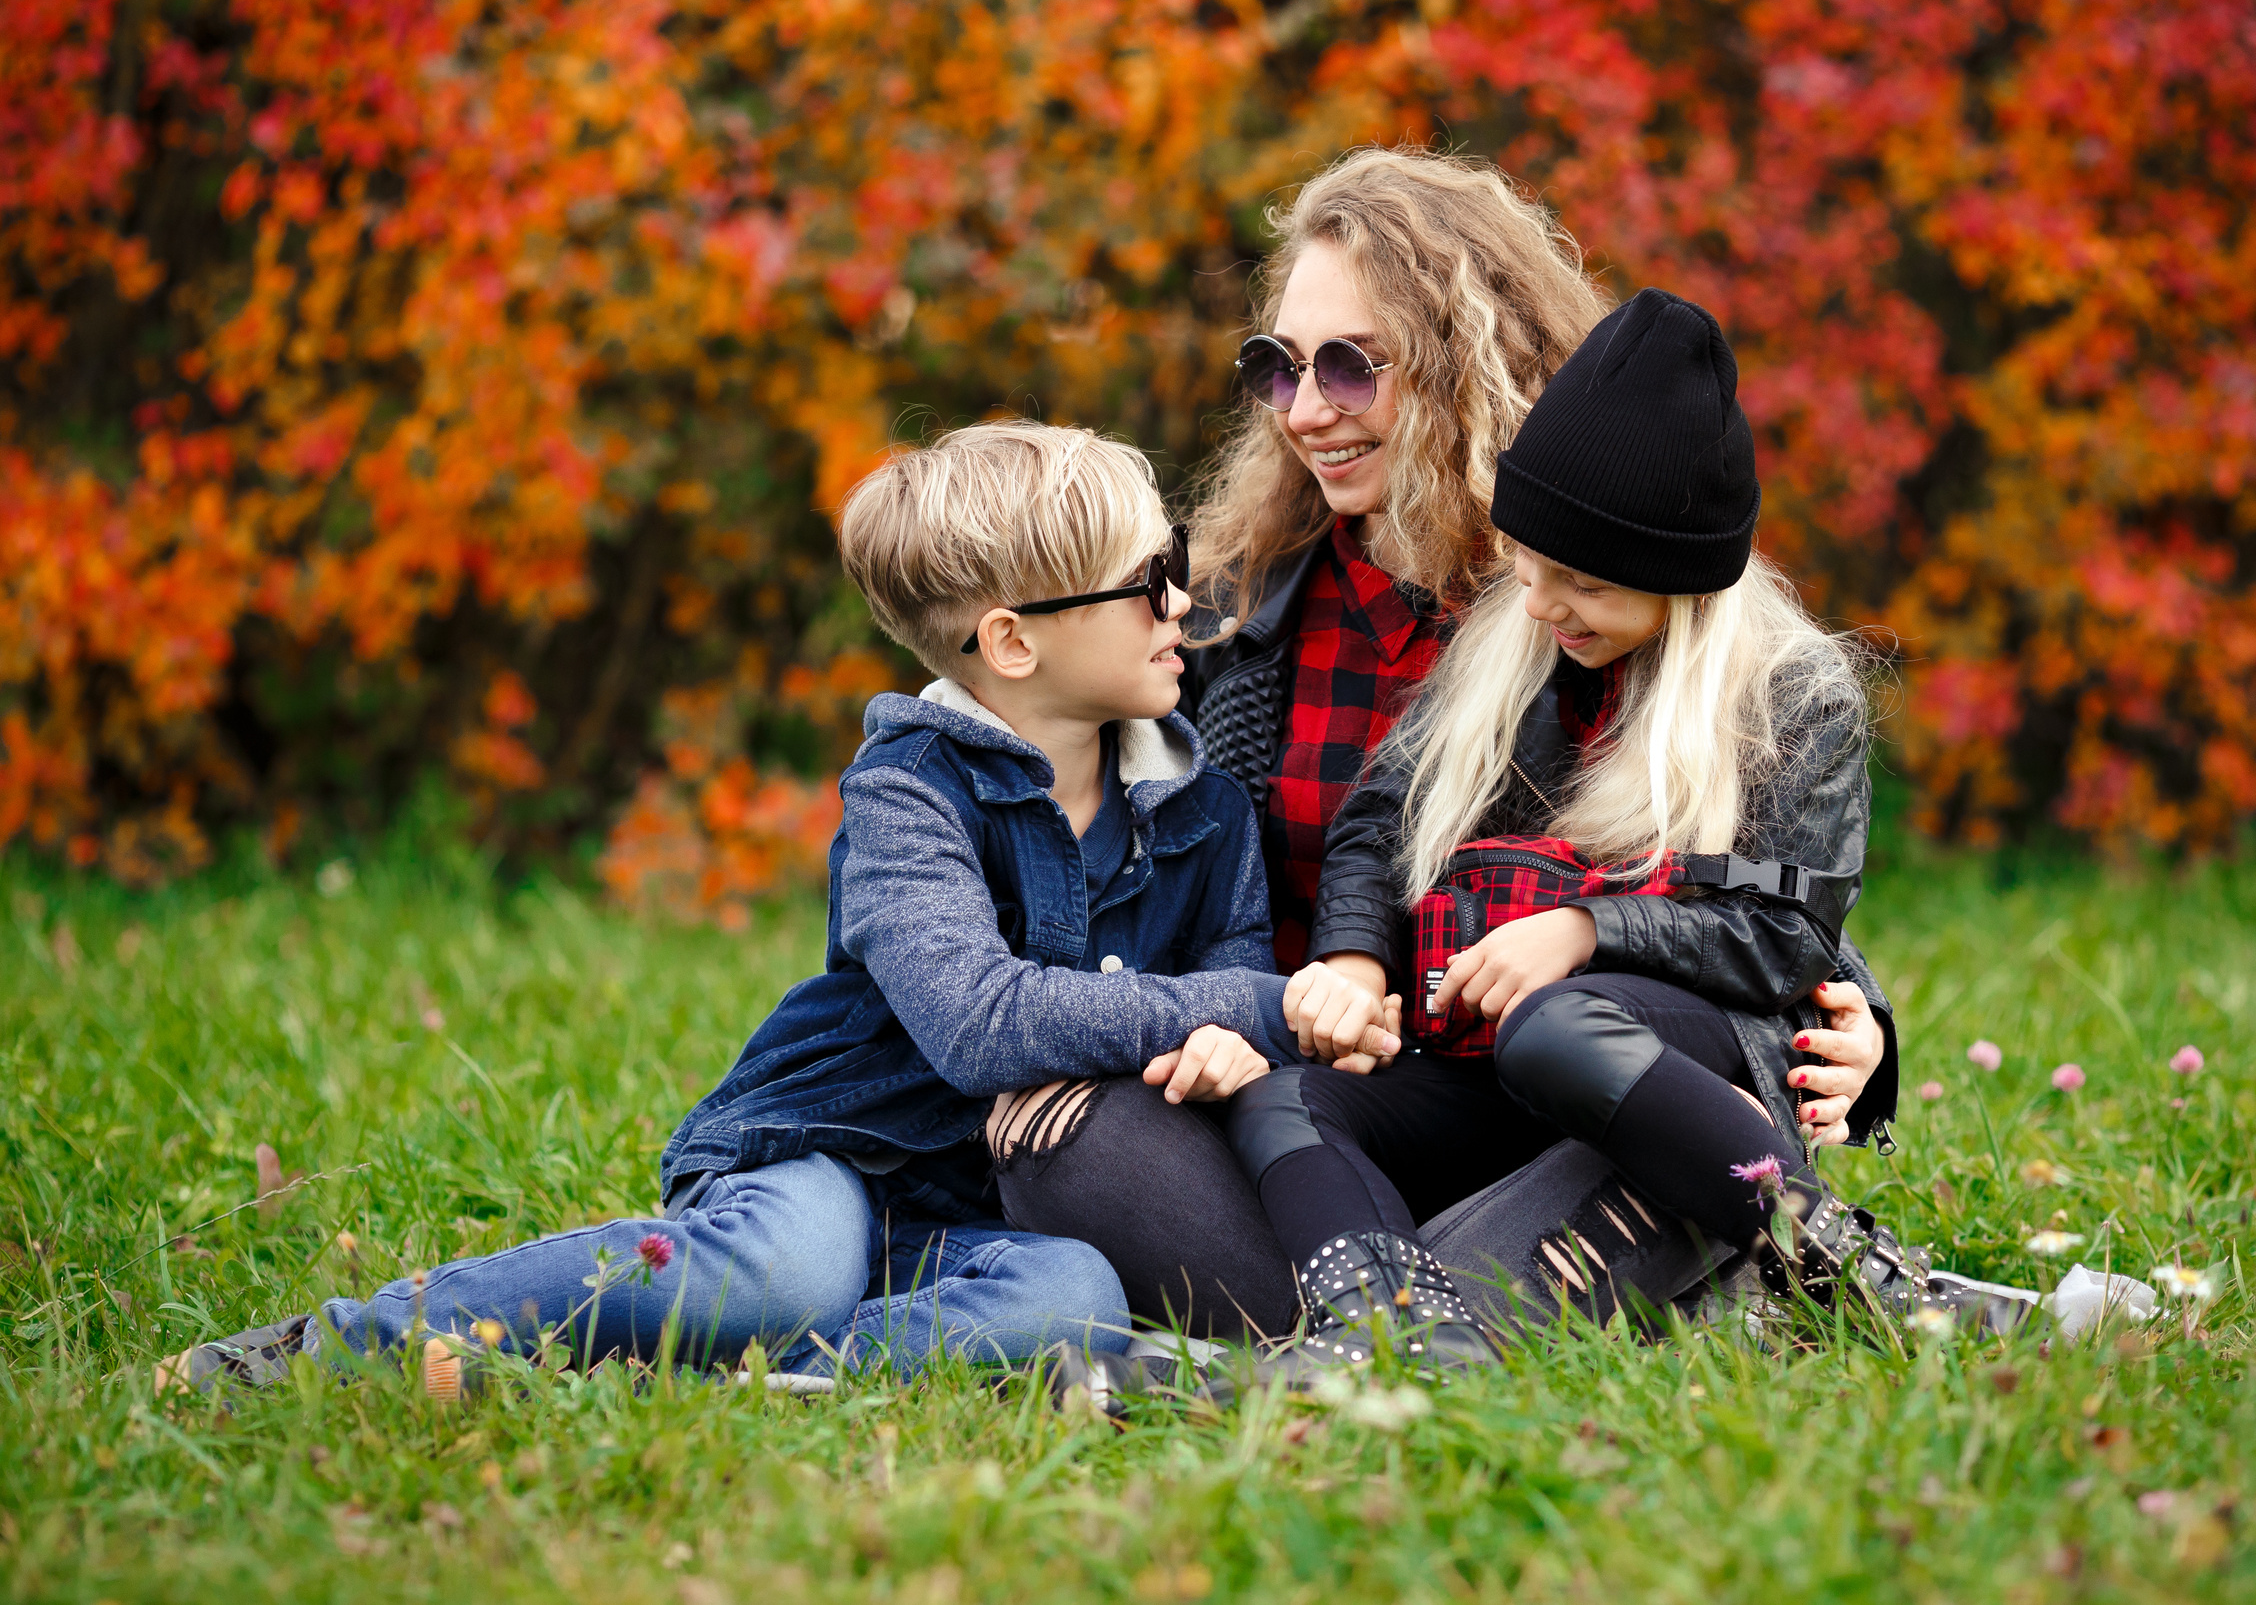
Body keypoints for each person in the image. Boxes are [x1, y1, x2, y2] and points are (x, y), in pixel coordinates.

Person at [158, 421, 1293, 1402]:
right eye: (1148, 579)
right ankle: (351, 1342)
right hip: (833, 1152)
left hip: (981, 1208)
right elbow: (979, 1022)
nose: (1181, 602)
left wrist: (1217, 1033)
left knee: (1075, 1297)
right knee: (784, 1273)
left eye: (1173, 564)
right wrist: (1246, 1001)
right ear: (1011, 640)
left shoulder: (1208, 811)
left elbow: (1226, 1013)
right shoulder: (910, 788)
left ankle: (710, 1369)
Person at [992, 148, 1901, 1340]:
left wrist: (1858, 1023)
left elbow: (1737, 879)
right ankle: (1449, 1308)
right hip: (1310, 1094)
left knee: (1620, 1078)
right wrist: (1222, 1013)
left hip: (1554, 1092)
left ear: (1474, 363)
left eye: (1349, 366)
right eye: (1281, 367)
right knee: (1064, 1141)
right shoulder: (1217, 622)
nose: (1307, 409)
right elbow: (1092, 881)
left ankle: (1413, 1320)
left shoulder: (1607, 597)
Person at [1224, 288, 2035, 1370]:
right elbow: (1381, 818)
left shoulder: (1791, 699)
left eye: (1587, 583)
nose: (1544, 602)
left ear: (1688, 587)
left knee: (1555, 1021)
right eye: (1528, 561)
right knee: (1284, 1097)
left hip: (1678, 1058)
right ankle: (1392, 1324)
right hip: (1483, 1073)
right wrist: (1355, 955)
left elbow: (1783, 929)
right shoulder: (1505, 652)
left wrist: (1583, 931)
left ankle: (1839, 1265)